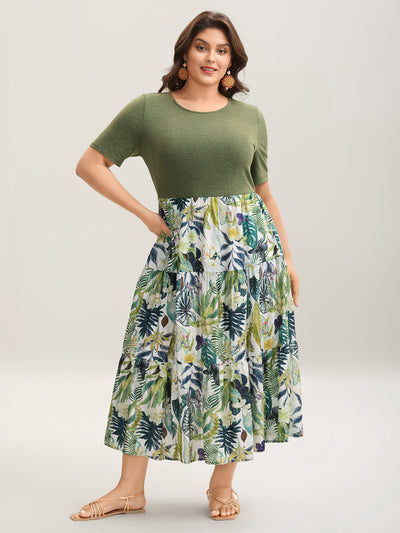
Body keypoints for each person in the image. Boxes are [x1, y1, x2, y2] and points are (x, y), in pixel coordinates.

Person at [70, 10, 303, 522]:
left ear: (232, 62)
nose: (211, 58)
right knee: (148, 357)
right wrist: (146, 215)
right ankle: (129, 489)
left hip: (248, 257)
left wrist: (287, 259)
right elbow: (90, 164)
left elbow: (264, 194)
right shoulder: (148, 111)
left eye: (222, 50)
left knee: (235, 363)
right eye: (202, 47)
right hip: (181, 252)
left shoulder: (250, 118)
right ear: (184, 54)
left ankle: (222, 485)